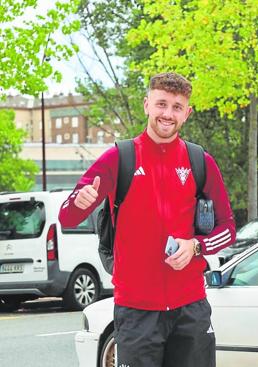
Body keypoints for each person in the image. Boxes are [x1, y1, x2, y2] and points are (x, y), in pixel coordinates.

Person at [59, 72, 236, 367]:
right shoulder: (120, 157)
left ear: (187, 113)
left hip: (190, 309)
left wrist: (195, 246)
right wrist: (79, 202)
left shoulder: (199, 161)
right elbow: (67, 214)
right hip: (136, 312)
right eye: (161, 104)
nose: (168, 114)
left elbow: (228, 228)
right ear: (146, 105)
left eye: (177, 107)